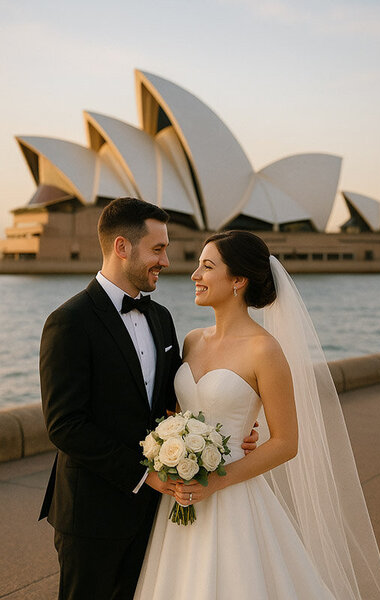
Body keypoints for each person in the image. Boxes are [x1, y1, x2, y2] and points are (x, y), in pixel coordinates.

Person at [134, 230, 380, 600]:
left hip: (232, 494)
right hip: (182, 492)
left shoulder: (264, 350)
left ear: (238, 280)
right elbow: (176, 413)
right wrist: (169, 450)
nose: (194, 275)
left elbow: (287, 443)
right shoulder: (192, 339)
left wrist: (216, 482)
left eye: (207, 267)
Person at [38, 197, 260, 600]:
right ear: (122, 247)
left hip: (154, 516)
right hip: (92, 513)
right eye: (158, 249)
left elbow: (170, 404)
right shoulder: (69, 321)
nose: (167, 261)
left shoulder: (161, 318)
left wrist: (233, 423)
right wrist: (148, 477)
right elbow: (64, 425)